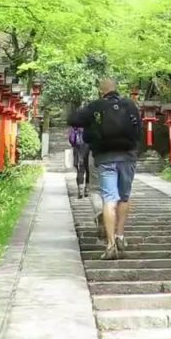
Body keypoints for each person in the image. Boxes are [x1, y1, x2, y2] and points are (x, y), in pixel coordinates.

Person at [68, 79, 141, 260]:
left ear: (101, 91)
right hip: (127, 156)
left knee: (109, 199)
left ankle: (110, 246)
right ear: (116, 89)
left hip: (105, 157)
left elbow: (73, 120)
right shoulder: (129, 105)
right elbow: (138, 130)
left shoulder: (96, 106)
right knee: (124, 197)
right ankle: (120, 236)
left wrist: (91, 123)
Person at [69, 125, 91, 198]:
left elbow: (71, 140)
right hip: (88, 148)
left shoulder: (75, 125)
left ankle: (80, 191)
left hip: (78, 148)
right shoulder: (89, 124)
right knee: (88, 169)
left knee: (80, 170)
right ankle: (87, 190)